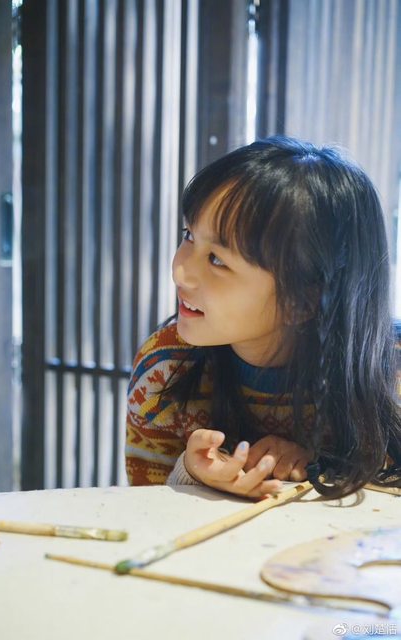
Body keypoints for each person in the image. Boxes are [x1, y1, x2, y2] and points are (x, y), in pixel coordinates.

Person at [126, 135, 401, 499]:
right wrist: (190, 473)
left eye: (217, 260)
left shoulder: (393, 370)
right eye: (189, 235)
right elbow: (142, 507)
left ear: (303, 300)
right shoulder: (165, 369)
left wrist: (321, 467)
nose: (180, 272)